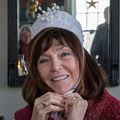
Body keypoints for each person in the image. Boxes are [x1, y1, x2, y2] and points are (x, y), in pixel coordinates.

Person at [14, 3, 120, 120]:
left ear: (82, 58)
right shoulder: (25, 115)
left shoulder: (113, 112)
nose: (55, 67)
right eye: (44, 60)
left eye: (64, 54)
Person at [90, 6, 110, 74]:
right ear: (104, 15)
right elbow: (93, 51)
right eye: (106, 14)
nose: (108, 16)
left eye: (109, 13)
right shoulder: (100, 29)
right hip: (104, 65)